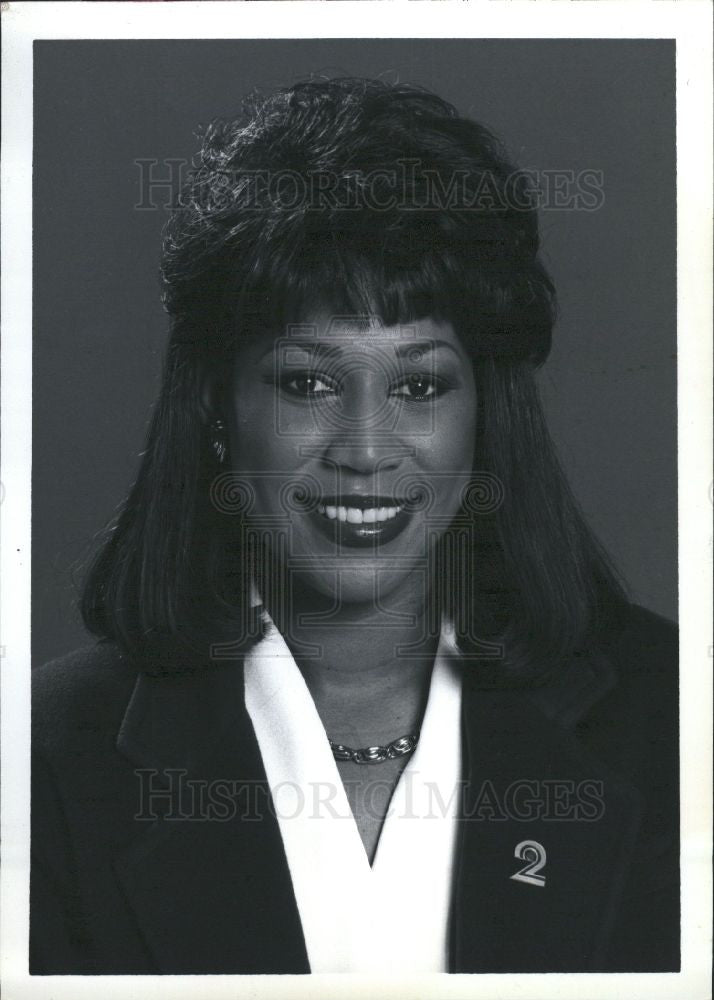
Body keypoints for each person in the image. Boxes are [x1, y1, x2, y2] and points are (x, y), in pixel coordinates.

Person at [31, 76, 679, 975]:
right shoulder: (44, 763)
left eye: (419, 386)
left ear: (485, 410)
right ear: (219, 403)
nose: (367, 450)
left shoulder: (680, 723)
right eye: (308, 382)